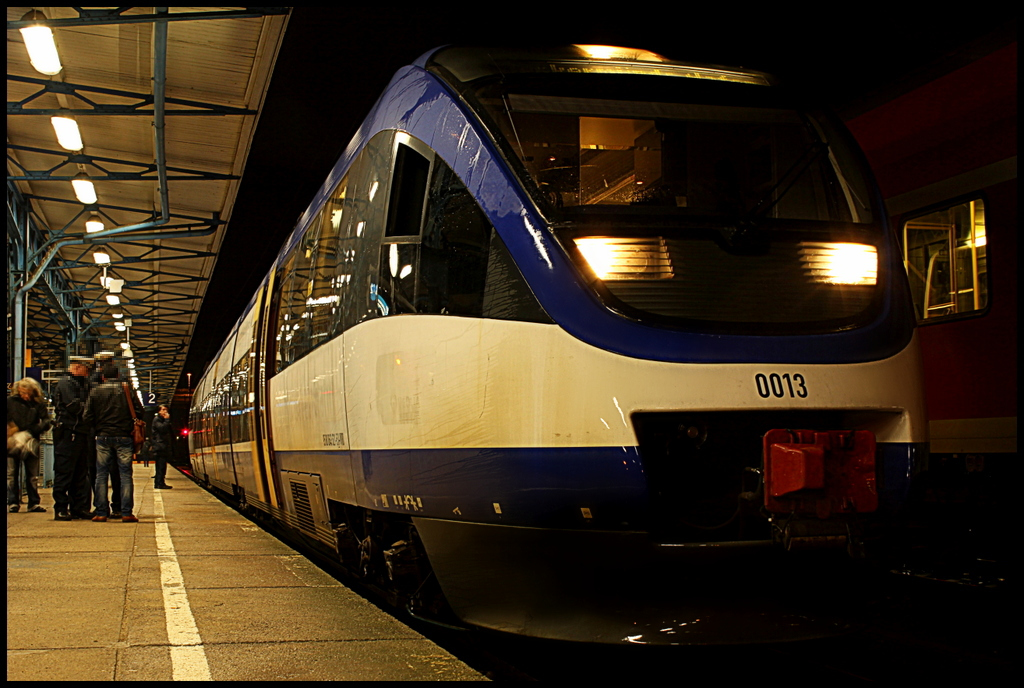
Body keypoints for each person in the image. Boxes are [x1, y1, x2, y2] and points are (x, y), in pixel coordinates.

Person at [83, 364, 142, 523]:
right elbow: (139, 411)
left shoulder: (95, 391)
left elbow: (86, 416)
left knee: (101, 475)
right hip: (124, 437)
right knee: (125, 475)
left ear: (103, 377)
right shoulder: (126, 390)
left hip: (102, 437)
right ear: (118, 375)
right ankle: (126, 513)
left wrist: (98, 427)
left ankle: (101, 512)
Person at [51, 356, 96, 520]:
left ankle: (78, 507)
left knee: (80, 473)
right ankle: (61, 507)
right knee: (65, 471)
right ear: (77, 367)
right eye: (86, 369)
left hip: (81, 433)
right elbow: (74, 406)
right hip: (68, 433)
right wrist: (91, 411)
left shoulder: (82, 384)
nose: (88, 373)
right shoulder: (66, 383)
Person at [7, 377, 52, 513]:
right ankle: (12, 502)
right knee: (11, 474)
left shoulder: (38, 404)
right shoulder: (10, 402)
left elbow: (46, 421)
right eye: (22, 393)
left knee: (32, 475)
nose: (25, 396)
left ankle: (33, 503)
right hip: (12, 442)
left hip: (31, 441)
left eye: (27, 393)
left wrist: (32, 432)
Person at [151, 405, 173, 489]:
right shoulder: (157, 419)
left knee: (162, 466)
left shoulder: (161, 420)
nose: (165, 412)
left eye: (166, 410)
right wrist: (167, 420)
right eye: (163, 410)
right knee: (160, 466)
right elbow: (162, 428)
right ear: (159, 411)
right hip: (159, 446)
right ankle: (159, 483)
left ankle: (161, 482)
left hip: (162, 446)